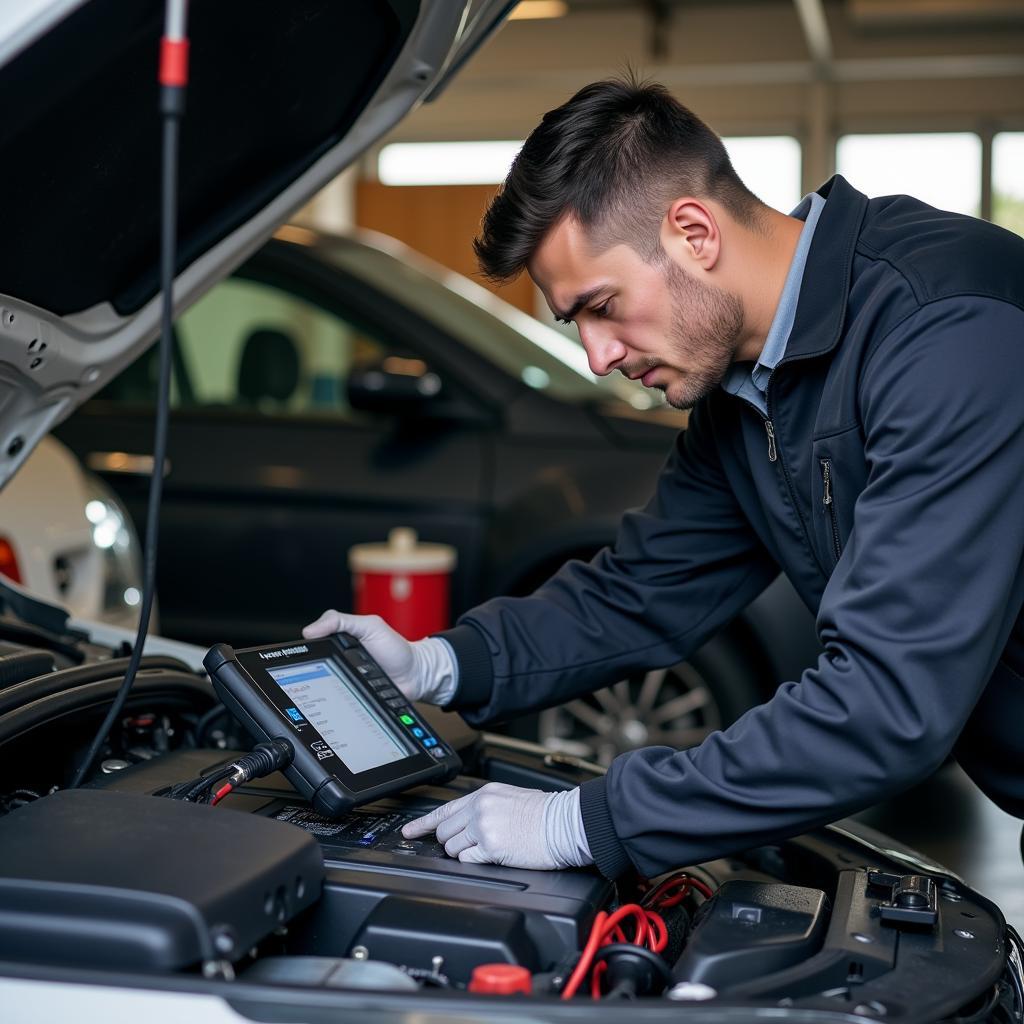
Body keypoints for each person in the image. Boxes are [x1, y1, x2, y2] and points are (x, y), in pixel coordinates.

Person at [305, 76, 1024, 879]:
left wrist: (586, 822)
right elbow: (638, 592)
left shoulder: (949, 328)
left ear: (692, 231)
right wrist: (439, 664)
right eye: (575, 323)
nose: (598, 355)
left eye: (603, 305)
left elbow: (885, 706)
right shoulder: (747, 394)